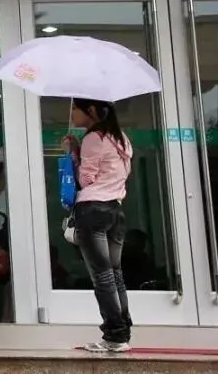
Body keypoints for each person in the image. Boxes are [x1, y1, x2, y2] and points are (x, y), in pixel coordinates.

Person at [64, 98, 134, 353]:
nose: (72, 113)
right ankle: (122, 332)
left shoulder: (93, 138)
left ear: (91, 110)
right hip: (115, 210)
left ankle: (114, 335)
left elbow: (86, 179)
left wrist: (73, 152)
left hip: (92, 211)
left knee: (103, 277)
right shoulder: (121, 138)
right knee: (115, 275)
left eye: (75, 108)